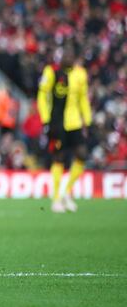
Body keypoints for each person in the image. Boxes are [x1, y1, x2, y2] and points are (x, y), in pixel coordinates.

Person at [37, 43, 91, 213]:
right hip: (57, 122)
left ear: (74, 58)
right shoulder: (51, 72)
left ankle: (66, 192)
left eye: (70, 56)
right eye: (64, 56)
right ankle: (56, 199)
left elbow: (83, 98)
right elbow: (42, 96)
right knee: (58, 158)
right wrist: (46, 120)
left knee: (82, 154)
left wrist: (87, 120)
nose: (67, 59)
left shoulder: (80, 74)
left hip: (74, 122)